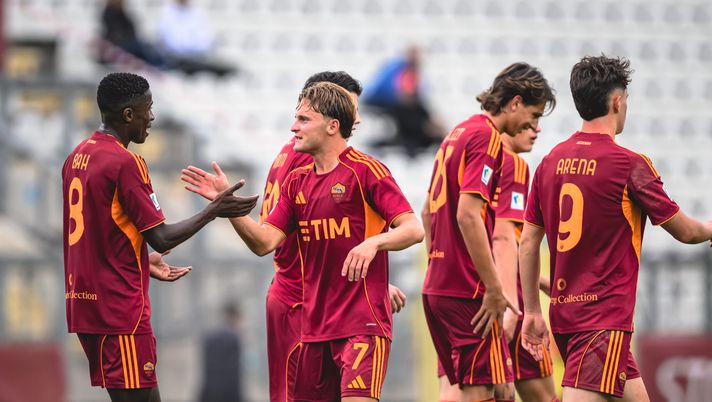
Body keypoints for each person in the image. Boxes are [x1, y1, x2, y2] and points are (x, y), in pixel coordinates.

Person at [186, 82, 424, 401]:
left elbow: (413, 229)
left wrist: (373, 244)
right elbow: (264, 242)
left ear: (332, 126)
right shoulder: (297, 182)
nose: (293, 127)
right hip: (314, 330)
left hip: (362, 324)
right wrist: (228, 208)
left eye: (303, 119)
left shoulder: (366, 171)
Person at [518, 55, 712, 402]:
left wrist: (532, 309)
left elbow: (529, 242)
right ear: (618, 101)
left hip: (565, 316)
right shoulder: (629, 165)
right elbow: (686, 231)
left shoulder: (548, 163)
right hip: (601, 320)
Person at [62, 72, 258, 402]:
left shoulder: (77, 156)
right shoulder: (125, 162)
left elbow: (98, 234)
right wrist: (214, 210)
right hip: (120, 311)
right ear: (128, 115)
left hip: (85, 306)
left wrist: (139, 258)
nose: (151, 117)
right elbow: (162, 238)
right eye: (147, 108)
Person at [421, 62, 556, 402]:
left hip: (439, 285)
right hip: (470, 290)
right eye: (534, 114)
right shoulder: (488, 140)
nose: (535, 125)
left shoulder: (458, 132)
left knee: (494, 391)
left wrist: (441, 263)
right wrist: (497, 290)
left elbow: (427, 212)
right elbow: (474, 219)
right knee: (488, 392)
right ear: (514, 103)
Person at [490, 125, 558, 402]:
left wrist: (538, 281)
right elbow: (504, 239)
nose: (537, 129)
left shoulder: (471, 164)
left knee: (499, 392)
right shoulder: (512, 166)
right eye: (530, 120)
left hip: (495, 295)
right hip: (509, 303)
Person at [362, 45, 444, 158]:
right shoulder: (400, 69)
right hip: (385, 103)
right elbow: (402, 94)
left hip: (397, 105)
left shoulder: (407, 71)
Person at [156, 0, 236, 77]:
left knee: (225, 67)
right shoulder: (167, 13)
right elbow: (171, 42)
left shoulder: (198, 13)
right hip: (176, 59)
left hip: (197, 58)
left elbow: (206, 41)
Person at [198, 302, 244, 402]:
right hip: (228, 394)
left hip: (209, 393)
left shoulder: (209, 337)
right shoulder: (234, 339)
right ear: (234, 317)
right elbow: (234, 375)